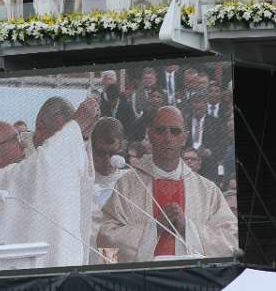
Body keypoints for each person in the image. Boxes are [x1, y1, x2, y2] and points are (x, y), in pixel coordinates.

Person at [0, 97, 95, 268]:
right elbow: (41, 166)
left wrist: (78, 135)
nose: (23, 145)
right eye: (15, 140)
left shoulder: (9, 177)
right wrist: (75, 127)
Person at [98, 106, 238, 260]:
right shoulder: (127, 185)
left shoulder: (207, 190)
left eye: (175, 131)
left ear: (185, 137)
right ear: (150, 135)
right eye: (160, 130)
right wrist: (154, 228)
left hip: (194, 280)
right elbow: (105, 242)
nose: (167, 138)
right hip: (141, 280)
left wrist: (188, 229)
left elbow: (232, 241)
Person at [92, 117, 127, 210]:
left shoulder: (130, 179)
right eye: (101, 153)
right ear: (91, 151)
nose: (107, 161)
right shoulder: (81, 180)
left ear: (121, 149)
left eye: (113, 153)